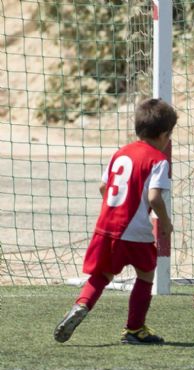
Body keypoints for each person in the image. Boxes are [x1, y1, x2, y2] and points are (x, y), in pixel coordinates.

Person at [54, 98, 177, 345]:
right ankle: (134, 329)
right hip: (135, 230)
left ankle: (82, 304)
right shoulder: (158, 159)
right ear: (165, 134)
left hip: (106, 226)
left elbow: (103, 187)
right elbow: (154, 197)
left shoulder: (120, 153)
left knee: (102, 274)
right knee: (146, 275)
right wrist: (165, 222)